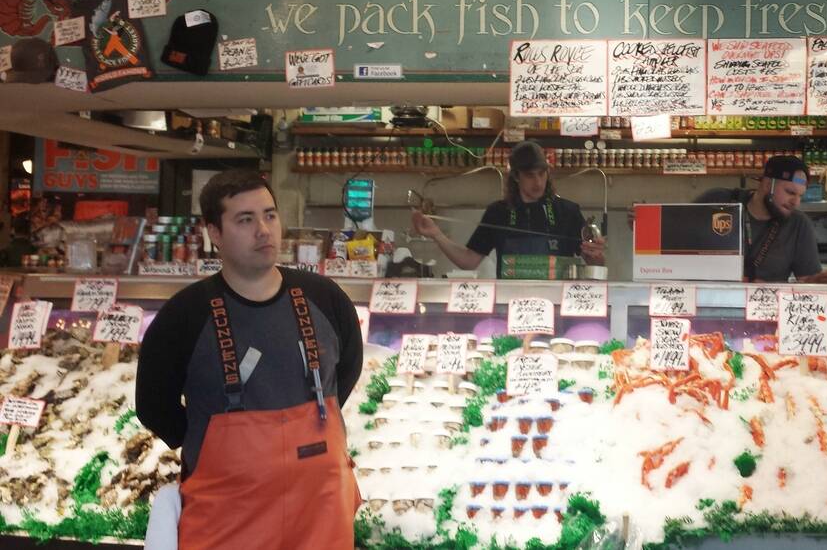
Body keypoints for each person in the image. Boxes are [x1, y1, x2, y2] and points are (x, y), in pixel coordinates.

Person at [136, 170, 363, 549]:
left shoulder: (325, 298)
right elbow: (153, 405)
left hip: (320, 515)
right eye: (245, 219)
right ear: (215, 233)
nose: (263, 230)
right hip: (228, 521)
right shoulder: (185, 316)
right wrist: (205, 442)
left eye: (270, 215)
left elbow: (347, 372)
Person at [411, 140, 605, 275]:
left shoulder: (567, 211)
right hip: (511, 305)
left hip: (557, 307)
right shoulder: (498, 212)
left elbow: (595, 263)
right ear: (516, 176)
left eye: (541, 174)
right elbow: (469, 261)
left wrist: (596, 254)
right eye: (530, 175)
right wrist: (436, 234)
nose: (538, 182)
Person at [695, 155, 827, 284]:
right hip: (710, 302)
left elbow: (807, 281)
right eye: (790, 192)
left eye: (801, 195)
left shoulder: (798, 224)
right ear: (766, 185)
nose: (796, 202)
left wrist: (825, 279)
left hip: (766, 310)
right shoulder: (717, 201)